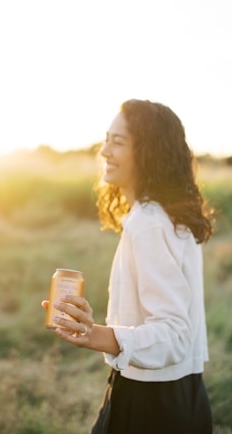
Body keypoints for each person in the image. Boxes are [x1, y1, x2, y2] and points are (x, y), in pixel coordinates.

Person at [42, 99, 213, 434]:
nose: (104, 150)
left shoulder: (149, 222)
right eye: (106, 139)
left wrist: (94, 335)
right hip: (186, 396)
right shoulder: (169, 216)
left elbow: (176, 335)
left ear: (150, 152)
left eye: (118, 142)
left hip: (150, 404)